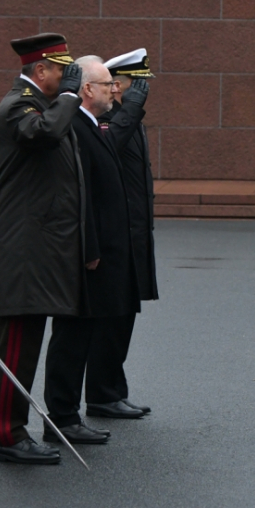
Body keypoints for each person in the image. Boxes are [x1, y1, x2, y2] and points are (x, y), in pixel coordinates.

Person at [0, 33, 84, 464]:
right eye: (62, 70)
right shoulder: (18, 107)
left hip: (40, 247)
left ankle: (14, 429)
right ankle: (6, 433)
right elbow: (43, 135)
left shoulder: (44, 105)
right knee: (17, 346)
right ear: (39, 70)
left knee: (28, 343)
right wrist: (68, 96)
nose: (69, 79)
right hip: (24, 249)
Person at [41, 56, 126, 444]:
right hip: (86, 252)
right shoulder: (75, 125)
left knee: (83, 332)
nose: (115, 90)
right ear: (87, 89)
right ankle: (61, 415)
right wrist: (90, 247)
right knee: (72, 335)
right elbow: (80, 195)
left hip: (99, 249)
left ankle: (67, 413)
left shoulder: (90, 125)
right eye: (107, 83)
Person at [86, 48, 159, 421]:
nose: (139, 93)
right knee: (109, 317)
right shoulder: (106, 120)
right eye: (134, 85)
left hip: (133, 233)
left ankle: (113, 389)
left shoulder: (129, 118)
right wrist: (130, 107)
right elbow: (108, 148)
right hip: (112, 235)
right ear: (116, 85)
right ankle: (100, 393)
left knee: (124, 315)